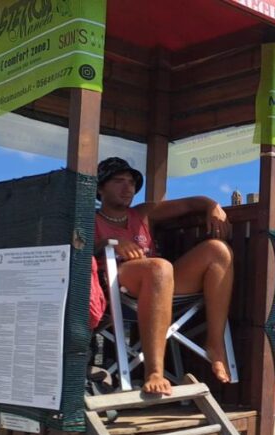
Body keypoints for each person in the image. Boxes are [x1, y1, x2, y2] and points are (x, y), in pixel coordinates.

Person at [94, 157, 233, 395]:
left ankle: (215, 343)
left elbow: (190, 204)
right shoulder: (89, 218)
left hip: (162, 286)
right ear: (100, 189)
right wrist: (111, 243)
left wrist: (212, 205)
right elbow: (77, 247)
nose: (127, 187)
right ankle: (154, 372)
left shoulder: (143, 213)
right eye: (118, 181)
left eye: (131, 182)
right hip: (119, 289)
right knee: (159, 267)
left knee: (217, 251)